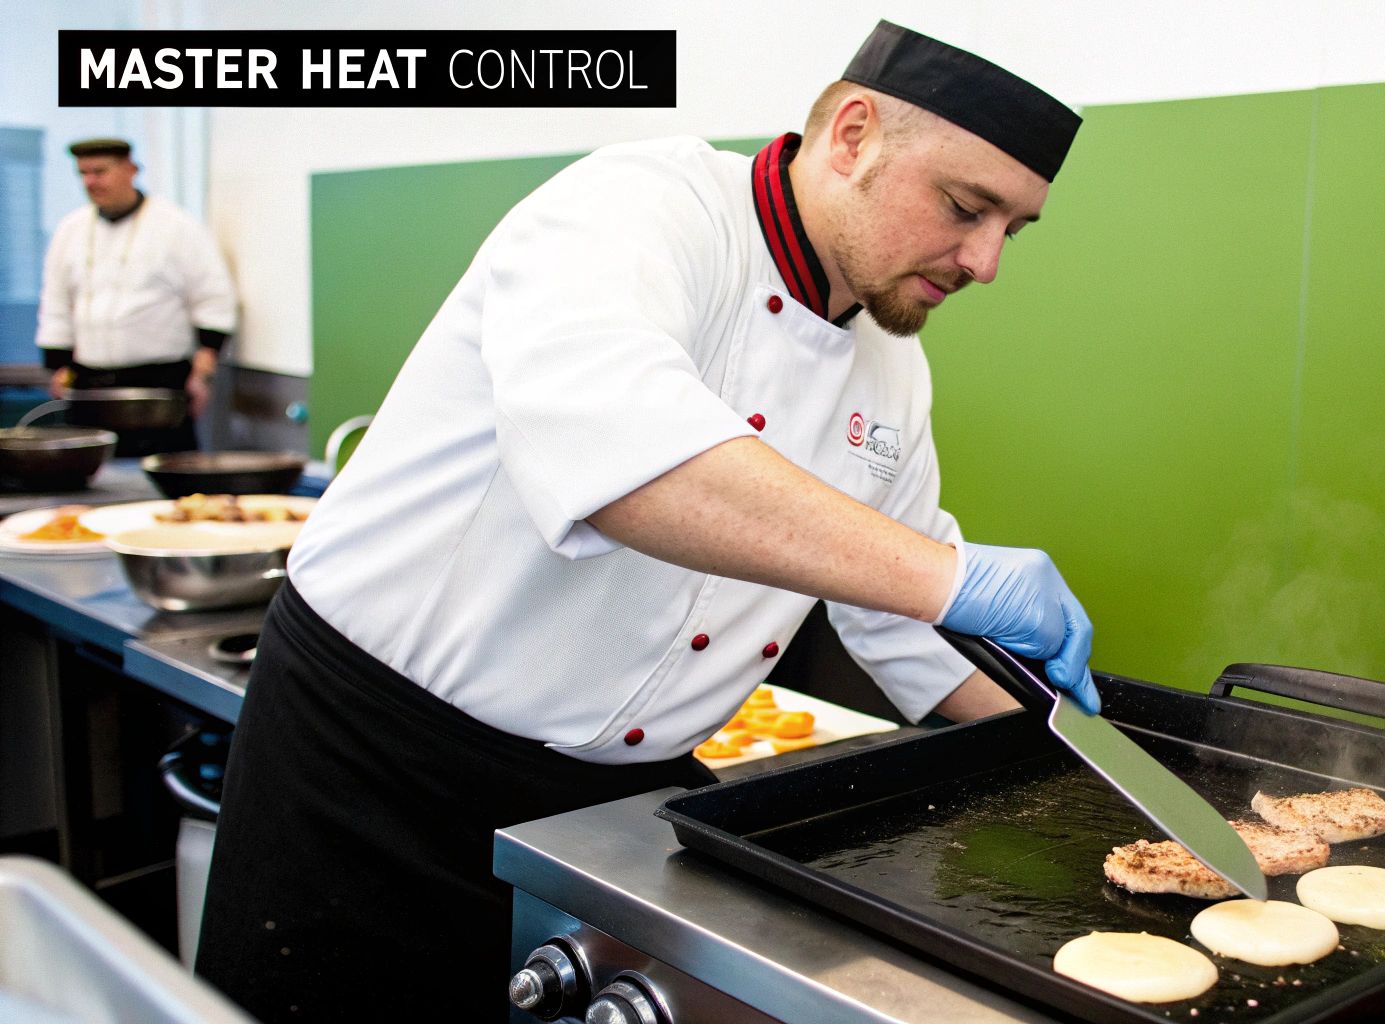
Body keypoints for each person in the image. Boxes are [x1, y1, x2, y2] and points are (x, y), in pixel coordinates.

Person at [196, 21, 1095, 1021]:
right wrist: (951, 575)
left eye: (1009, 230)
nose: (984, 263)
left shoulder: (891, 368)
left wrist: (1089, 755)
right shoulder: (640, 208)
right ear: (850, 135)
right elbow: (624, 461)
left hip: (613, 813)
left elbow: (897, 618)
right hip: (374, 771)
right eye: (965, 208)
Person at [35, 137, 238, 455]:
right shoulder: (70, 230)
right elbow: (56, 301)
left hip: (159, 380)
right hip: (91, 381)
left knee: (164, 473)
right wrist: (58, 365)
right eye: (83, 173)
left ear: (130, 169)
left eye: (100, 171)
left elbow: (213, 297)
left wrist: (203, 370)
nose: (90, 182)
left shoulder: (176, 226)